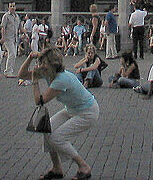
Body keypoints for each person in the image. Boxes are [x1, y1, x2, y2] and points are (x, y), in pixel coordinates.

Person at [17, 47, 98, 180]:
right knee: (47, 130)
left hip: (87, 112)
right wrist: (30, 57)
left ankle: (84, 167)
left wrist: (34, 80)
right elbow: (21, 75)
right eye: (40, 62)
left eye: (44, 63)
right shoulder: (49, 73)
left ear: (53, 64)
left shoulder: (62, 79)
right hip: (73, 109)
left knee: (57, 138)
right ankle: (57, 168)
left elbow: (39, 101)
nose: (40, 66)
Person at [0, 2, 21, 77]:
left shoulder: (17, 16)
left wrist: (25, 34)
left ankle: (10, 70)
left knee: (13, 54)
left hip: (15, 38)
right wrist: (3, 37)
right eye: (11, 6)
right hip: (8, 38)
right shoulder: (6, 16)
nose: (12, 7)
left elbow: (19, 27)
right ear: (8, 8)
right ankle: (7, 71)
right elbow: (3, 27)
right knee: (12, 53)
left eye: (13, 6)